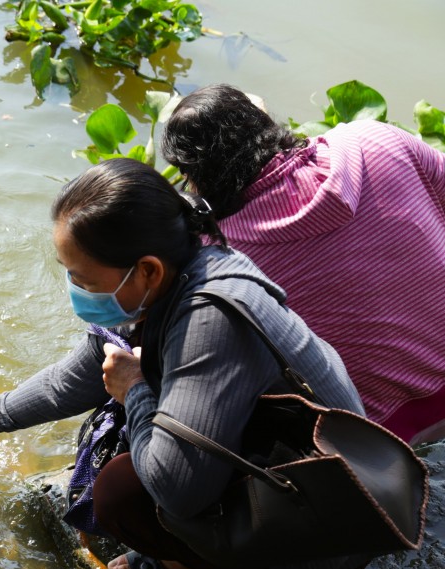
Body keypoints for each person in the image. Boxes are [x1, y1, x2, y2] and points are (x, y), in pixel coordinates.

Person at [0, 158, 370, 569]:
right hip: (274, 458)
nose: (74, 287)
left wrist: (137, 391)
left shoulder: (210, 319)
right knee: (132, 442)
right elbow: (78, 375)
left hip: (320, 526)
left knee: (119, 491)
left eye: (81, 277)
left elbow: (178, 490)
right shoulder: (170, 281)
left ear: (147, 270)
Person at [161, 84, 445, 445]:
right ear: (266, 124)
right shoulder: (376, 140)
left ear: (194, 175)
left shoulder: (220, 255)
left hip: (388, 439)